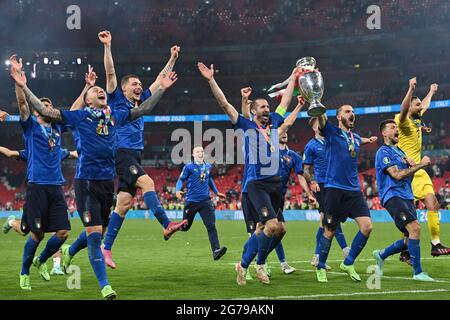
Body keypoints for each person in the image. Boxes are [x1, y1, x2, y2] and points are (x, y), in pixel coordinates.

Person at [11, 53, 178, 299]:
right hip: (86, 183)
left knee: (97, 228)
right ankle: (105, 286)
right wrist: (23, 86)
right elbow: (44, 109)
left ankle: (51, 257)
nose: (101, 91)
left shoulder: (114, 115)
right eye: (96, 90)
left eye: (101, 89)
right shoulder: (79, 116)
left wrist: (161, 89)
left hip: (106, 184)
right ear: (88, 100)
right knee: (94, 235)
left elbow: (143, 109)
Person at [198, 61, 298, 285]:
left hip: (275, 183)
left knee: (279, 230)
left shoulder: (274, 124)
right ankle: (258, 264)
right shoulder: (245, 125)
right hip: (257, 184)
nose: (267, 109)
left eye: (267, 107)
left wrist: (292, 78)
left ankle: (243, 265)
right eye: (262, 107)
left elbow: (286, 101)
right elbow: (224, 104)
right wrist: (211, 80)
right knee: (270, 226)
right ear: (253, 111)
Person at [98, 30, 187, 269]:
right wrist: (107, 46)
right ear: (125, 88)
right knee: (148, 184)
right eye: (135, 84)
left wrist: (173, 59)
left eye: (140, 84)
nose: (139, 86)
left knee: (123, 205)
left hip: (135, 154)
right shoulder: (116, 99)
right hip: (122, 152)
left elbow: (160, 79)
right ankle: (167, 224)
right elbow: (110, 72)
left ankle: (105, 249)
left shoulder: (141, 99)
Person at [9, 56, 70, 290]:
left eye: (48, 105)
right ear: (36, 112)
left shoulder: (57, 128)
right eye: (42, 106)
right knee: (36, 235)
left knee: (63, 233)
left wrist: (86, 87)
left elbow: (73, 111)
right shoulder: (31, 126)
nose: (45, 108)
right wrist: (18, 79)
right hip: (37, 184)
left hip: (56, 185)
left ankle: (40, 261)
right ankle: (24, 273)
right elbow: (23, 104)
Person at [304, 117, 378, 269]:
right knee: (328, 220)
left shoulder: (335, 139)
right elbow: (306, 168)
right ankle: (332, 253)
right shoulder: (311, 145)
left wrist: (369, 140)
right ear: (314, 128)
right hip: (322, 185)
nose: (320, 126)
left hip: (337, 184)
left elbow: (355, 139)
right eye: (317, 125)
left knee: (326, 221)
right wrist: (312, 181)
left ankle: (319, 256)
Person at [315, 105, 373, 283]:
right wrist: (315, 101)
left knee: (367, 227)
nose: (352, 114)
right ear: (339, 117)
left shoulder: (354, 137)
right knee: (330, 230)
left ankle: (348, 262)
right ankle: (321, 266)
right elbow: (322, 119)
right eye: (348, 112)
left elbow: (358, 140)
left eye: (353, 111)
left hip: (354, 191)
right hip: (334, 189)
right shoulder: (331, 132)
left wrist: (369, 140)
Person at [395, 77, 450, 258]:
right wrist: (410, 90)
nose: (421, 108)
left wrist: (431, 92)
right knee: (410, 217)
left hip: (420, 170)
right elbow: (403, 111)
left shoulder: (417, 118)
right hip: (406, 172)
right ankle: (405, 250)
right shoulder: (402, 120)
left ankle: (435, 244)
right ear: (410, 107)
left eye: (420, 105)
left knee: (433, 203)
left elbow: (424, 104)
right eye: (416, 105)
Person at [373, 119, 434, 281]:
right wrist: (420, 165)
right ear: (384, 133)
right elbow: (396, 175)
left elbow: (407, 176)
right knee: (415, 228)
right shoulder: (383, 152)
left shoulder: (400, 152)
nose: (396, 130)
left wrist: (412, 167)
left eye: (397, 127)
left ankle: (381, 254)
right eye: (392, 128)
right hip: (393, 195)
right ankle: (418, 272)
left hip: (407, 195)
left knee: (408, 239)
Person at [175, 145, 227, 260]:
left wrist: (216, 192)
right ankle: (172, 228)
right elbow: (180, 179)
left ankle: (216, 250)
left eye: (202, 151)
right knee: (185, 227)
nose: (200, 153)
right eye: (198, 152)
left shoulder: (208, 166)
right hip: (191, 202)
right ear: (193, 155)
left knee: (211, 225)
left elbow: (209, 179)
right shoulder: (188, 167)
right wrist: (178, 190)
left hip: (205, 202)